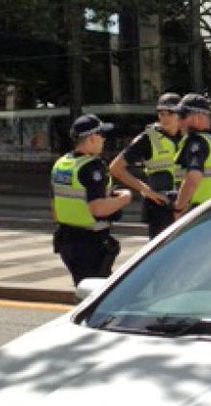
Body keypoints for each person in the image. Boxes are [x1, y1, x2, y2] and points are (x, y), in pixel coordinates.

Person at [51, 114, 132, 286]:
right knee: (96, 295)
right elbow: (97, 209)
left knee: (83, 288)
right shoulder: (92, 167)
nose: (104, 140)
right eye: (101, 135)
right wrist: (124, 198)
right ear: (91, 138)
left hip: (67, 239)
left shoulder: (62, 163)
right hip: (90, 243)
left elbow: (55, 205)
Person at [109, 92, 185, 239]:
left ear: (180, 114)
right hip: (160, 208)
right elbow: (115, 168)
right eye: (161, 113)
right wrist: (146, 190)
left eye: (170, 112)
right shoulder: (148, 138)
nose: (164, 117)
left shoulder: (188, 136)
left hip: (185, 204)